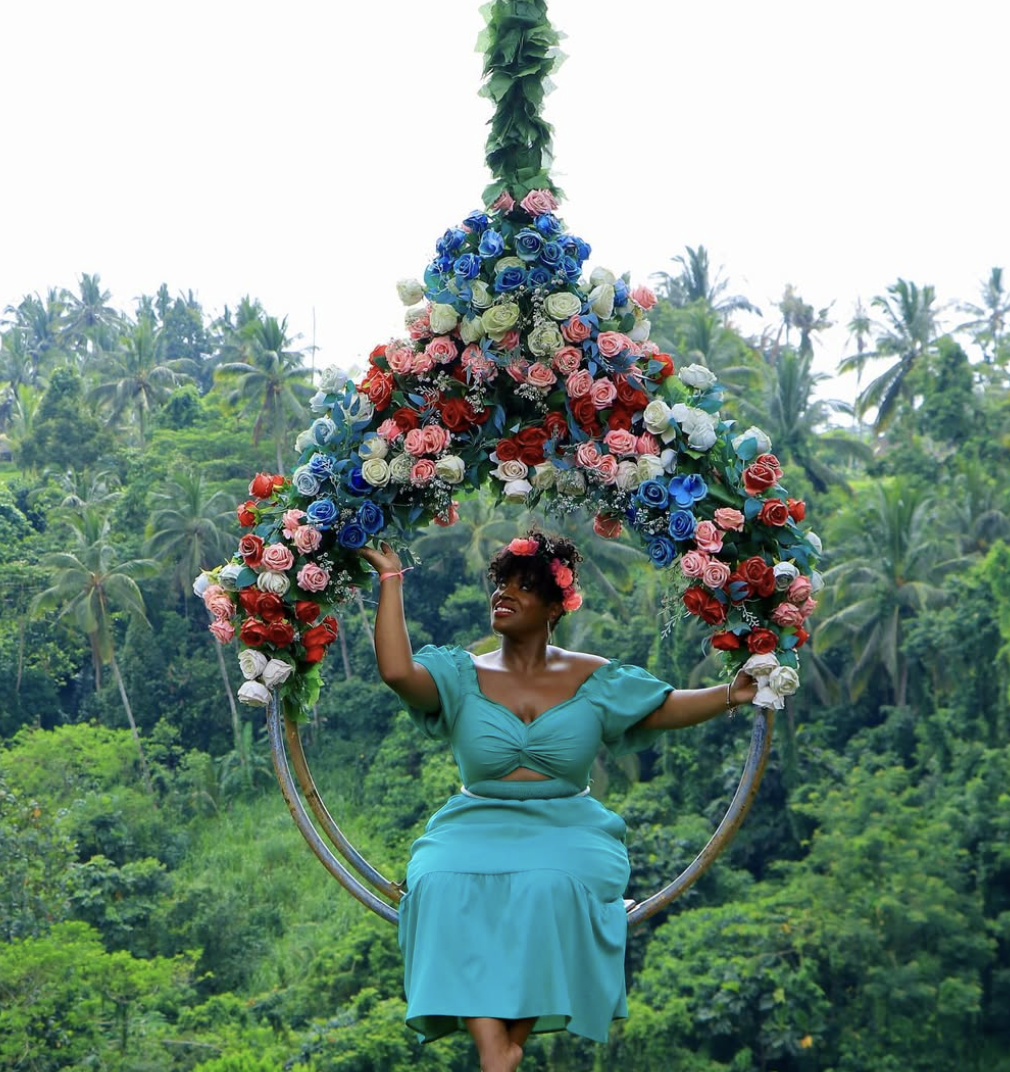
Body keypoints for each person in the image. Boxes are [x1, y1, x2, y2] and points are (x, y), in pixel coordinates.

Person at [359, 530, 757, 1072]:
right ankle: (495, 1048)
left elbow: (662, 707)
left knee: (556, 888)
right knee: (436, 883)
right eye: (500, 585)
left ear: (554, 607)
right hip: (476, 822)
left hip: (568, 826)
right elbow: (397, 673)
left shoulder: (592, 677)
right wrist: (390, 580)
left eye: (523, 587)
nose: (504, 594)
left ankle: (504, 1043)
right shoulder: (459, 673)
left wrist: (730, 693)